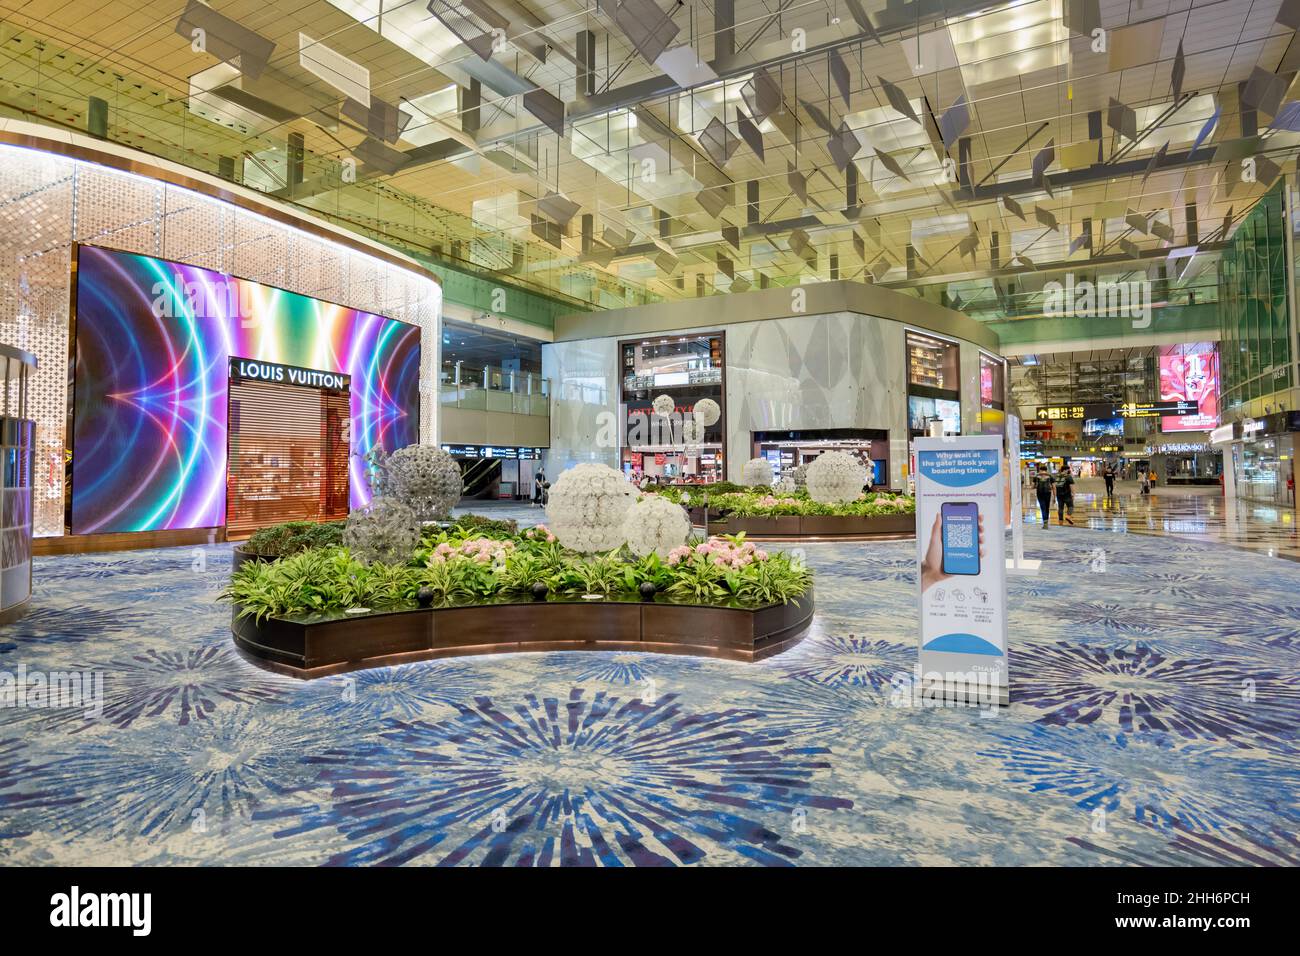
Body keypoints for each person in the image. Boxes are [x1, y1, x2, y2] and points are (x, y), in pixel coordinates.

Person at [1032, 463, 1053, 528]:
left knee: (1042, 507)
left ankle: (1045, 523)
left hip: (1040, 493)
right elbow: (1054, 486)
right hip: (1048, 492)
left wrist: (1034, 486)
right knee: (1047, 507)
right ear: (1046, 470)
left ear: (1040, 470)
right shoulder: (1050, 476)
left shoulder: (1036, 476)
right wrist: (1055, 496)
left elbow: (1033, 486)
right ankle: (1046, 521)